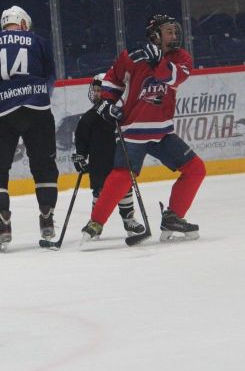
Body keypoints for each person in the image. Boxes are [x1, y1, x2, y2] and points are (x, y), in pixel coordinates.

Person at [80, 15, 206, 243]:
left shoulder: (181, 57)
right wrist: (107, 104)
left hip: (163, 130)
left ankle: (173, 217)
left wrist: (158, 62)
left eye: (175, 31)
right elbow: (112, 81)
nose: (174, 36)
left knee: (195, 169)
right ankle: (95, 223)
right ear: (155, 35)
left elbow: (175, 78)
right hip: (134, 129)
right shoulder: (131, 56)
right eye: (169, 32)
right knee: (122, 176)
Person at [0, 5, 58, 251]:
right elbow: (51, 77)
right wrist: (38, 99)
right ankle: (47, 217)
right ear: (23, 23)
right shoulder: (38, 41)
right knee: (44, 165)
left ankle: (3, 223)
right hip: (37, 108)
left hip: (0, 111)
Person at [72, 75, 146, 237]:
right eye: (96, 90)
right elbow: (81, 138)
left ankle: (129, 220)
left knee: (124, 187)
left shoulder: (121, 114)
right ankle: (95, 223)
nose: (97, 93)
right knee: (99, 190)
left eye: (101, 90)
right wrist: (80, 155)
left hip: (120, 158)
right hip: (98, 161)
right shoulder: (89, 117)